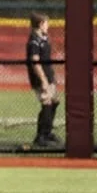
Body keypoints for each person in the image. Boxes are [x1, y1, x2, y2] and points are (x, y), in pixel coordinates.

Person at [26, 12, 61, 147]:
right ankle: (41, 136)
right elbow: (35, 62)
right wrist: (43, 80)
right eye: (46, 23)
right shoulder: (34, 41)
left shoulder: (44, 38)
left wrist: (52, 76)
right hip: (41, 78)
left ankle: (48, 132)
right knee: (46, 102)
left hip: (49, 75)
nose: (48, 26)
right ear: (40, 24)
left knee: (55, 101)